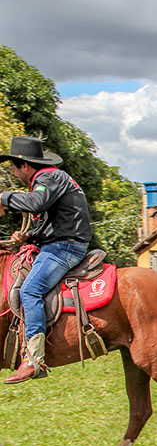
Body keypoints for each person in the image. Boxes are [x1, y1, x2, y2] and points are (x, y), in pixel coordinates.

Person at [0, 136, 93, 383]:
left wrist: (4, 197)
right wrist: (28, 235)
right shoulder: (51, 179)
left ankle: (34, 359)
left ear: (25, 165)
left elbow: (36, 203)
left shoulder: (48, 178)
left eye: (13, 164)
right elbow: (52, 221)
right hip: (61, 243)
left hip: (64, 248)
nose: (13, 170)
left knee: (29, 290)